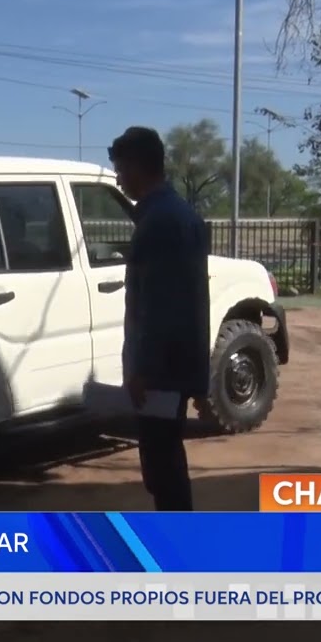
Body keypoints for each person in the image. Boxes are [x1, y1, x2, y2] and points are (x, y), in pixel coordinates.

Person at [109, 126, 210, 511]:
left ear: (136, 167)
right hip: (176, 366)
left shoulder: (159, 223)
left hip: (159, 375)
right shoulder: (180, 214)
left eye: (120, 170)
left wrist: (142, 371)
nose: (119, 178)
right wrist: (198, 378)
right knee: (167, 466)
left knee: (163, 472)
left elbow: (158, 308)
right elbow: (193, 305)